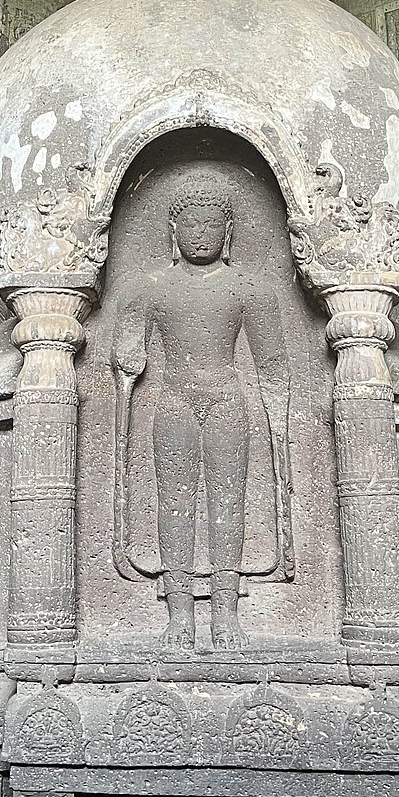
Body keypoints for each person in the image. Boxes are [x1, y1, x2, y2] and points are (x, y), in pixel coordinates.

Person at [111, 182, 288, 649]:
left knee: (228, 504)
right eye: (190, 223)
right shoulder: (151, 288)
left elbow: (271, 361)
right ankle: (180, 614)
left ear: (228, 230)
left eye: (211, 223)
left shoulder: (247, 287)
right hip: (174, 402)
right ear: (174, 228)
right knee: (175, 503)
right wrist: (126, 361)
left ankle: (227, 613)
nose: (200, 233)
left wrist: (279, 413)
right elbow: (126, 351)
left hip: (228, 401)